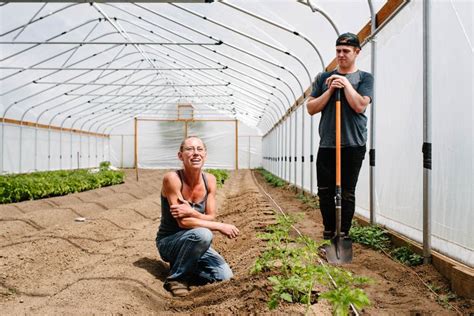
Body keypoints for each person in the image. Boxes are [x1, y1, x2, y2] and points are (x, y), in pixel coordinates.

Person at [306, 32, 374, 240]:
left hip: (353, 144)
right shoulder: (323, 78)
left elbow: (360, 105)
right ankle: (329, 230)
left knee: (346, 191)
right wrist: (329, 91)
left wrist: (345, 84)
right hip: (328, 143)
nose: (341, 55)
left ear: (357, 52)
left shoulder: (364, 78)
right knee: (325, 190)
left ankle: (343, 233)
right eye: (338, 51)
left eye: (346, 51)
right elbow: (310, 108)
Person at [156, 136, 240, 297]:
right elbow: (183, 222)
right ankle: (177, 278)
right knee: (203, 233)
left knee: (224, 277)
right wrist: (221, 226)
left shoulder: (210, 180)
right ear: (180, 156)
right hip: (169, 242)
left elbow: (210, 216)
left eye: (199, 149)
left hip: (196, 242)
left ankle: (185, 263)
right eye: (189, 149)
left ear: (205, 155)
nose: (195, 153)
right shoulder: (172, 179)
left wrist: (193, 212)